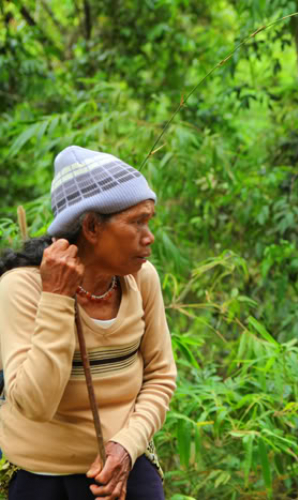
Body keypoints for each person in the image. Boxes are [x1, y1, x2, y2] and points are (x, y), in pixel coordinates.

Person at [0, 146, 177, 499]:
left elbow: (160, 375)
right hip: (40, 472)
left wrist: (127, 445)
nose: (149, 236)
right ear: (92, 226)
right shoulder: (21, 287)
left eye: (149, 221)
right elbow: (35, 404)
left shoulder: (141, 279)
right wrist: (57, 298)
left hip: (124, 464)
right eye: (137, 221)